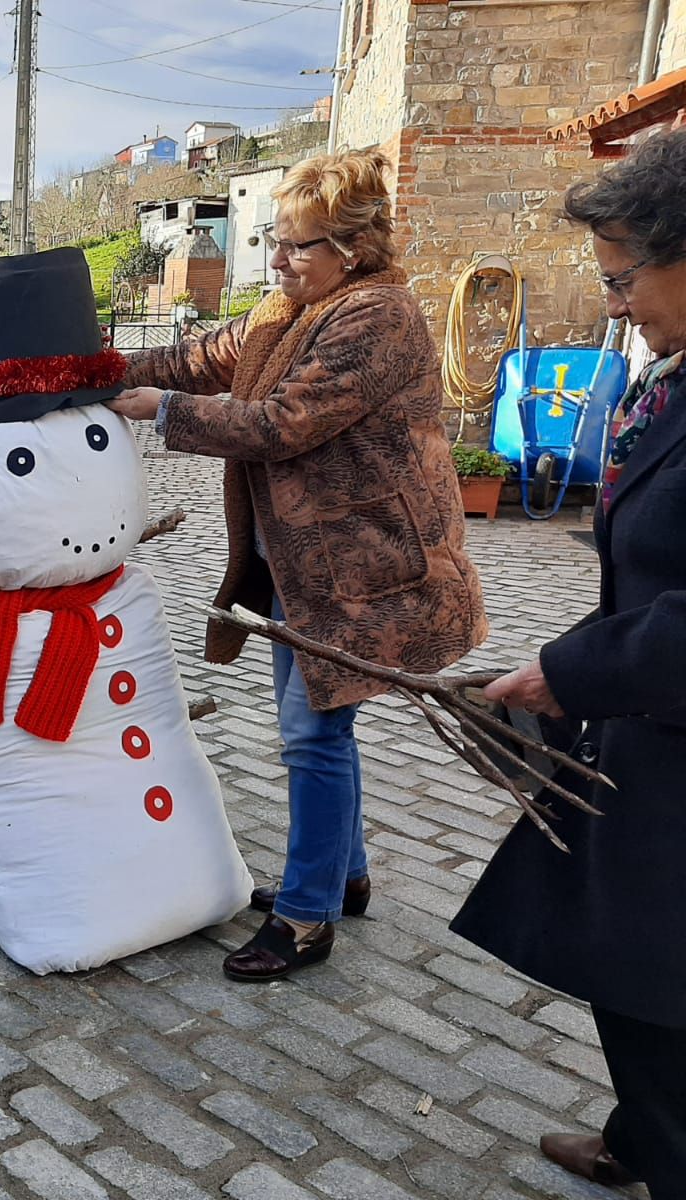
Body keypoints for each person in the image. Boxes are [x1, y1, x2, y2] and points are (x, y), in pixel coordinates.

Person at [108, 148, 487, 982]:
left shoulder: (376, 318)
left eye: (295, 245)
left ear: (351, 249)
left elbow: (283, 422)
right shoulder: (289, 311)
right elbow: (199, 356)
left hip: (367, 569)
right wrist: (96, 372)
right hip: (303, 565)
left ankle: (308, 916)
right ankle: (341, 877)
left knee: (312, 732)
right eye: (276, 242)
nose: (277, 261)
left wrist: (164, 412)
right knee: (322, 722)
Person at [452, 129, 686, 1197]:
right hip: (645, 728)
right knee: (630, 971)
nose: (614, 304)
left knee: (654, 983)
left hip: (670, 742)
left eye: (623, 278)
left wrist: (569, 676)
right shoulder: (671, 376)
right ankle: (640, 1136)